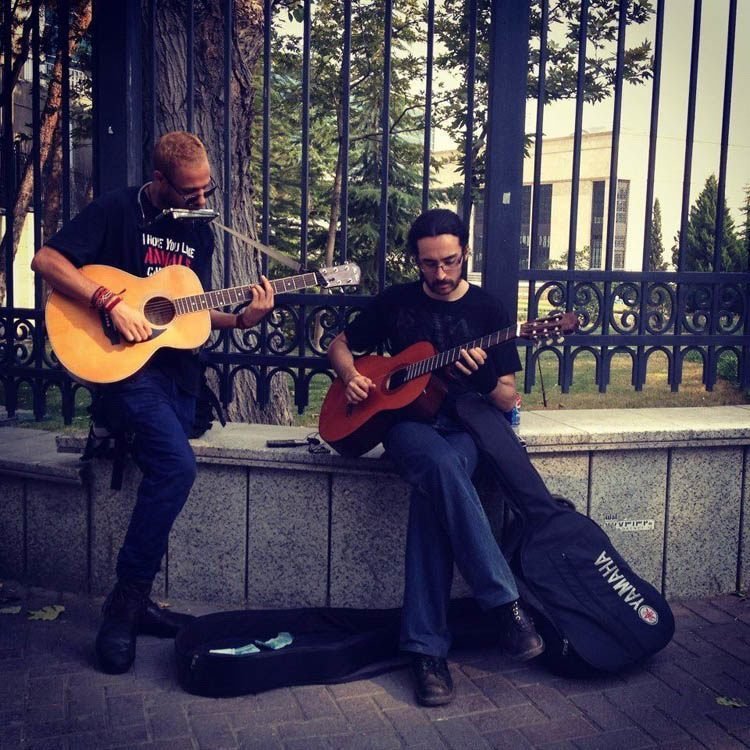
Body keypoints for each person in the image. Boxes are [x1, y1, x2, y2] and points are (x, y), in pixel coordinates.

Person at [31, 131, 275, 674]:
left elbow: (188, 308)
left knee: (174, 446)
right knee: (175, 466)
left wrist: (240, 318)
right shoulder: (117, 209)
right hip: (122, 368)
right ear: (160, 180)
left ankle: (135, 597)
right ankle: (127, 602)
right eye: (190, 192)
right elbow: (46, 261)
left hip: (177, 376)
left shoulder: (200, 232)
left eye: (207, 189)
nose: (201, 200)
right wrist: (109, 303)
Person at [327, 208, 545, 707]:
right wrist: (350, 376)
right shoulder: (395, 303)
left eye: (449, 262)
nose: (441, 274)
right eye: (429, 264)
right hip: (406, 427)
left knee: (435, 493)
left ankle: (425, 652)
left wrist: (486, 378)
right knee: (440, 469)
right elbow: (340, 347)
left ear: (465, 252)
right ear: (416, 261)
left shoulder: (489, 310)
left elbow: (509, 398)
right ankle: (504, 604)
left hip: (467, 426)